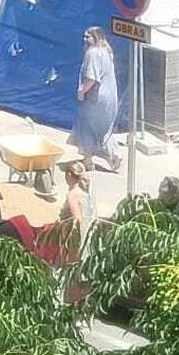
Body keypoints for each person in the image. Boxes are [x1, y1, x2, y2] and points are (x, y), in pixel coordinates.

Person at [73, 25, 119, 172]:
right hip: (110, 99)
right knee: (102, 129)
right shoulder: (106, 52)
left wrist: (81, 91)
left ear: (96, 37)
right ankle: (114, 154)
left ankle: (88, 161)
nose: (84, 39)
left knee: (86, 127)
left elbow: (91, 78)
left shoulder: (92, 53)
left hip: (95, 99)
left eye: (88, 36)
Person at [57, 153, 93, 240]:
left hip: (72, 238)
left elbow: (76, 221)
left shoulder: (72, 195)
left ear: (69, 175)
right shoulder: (85, 192)